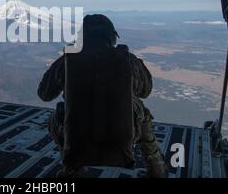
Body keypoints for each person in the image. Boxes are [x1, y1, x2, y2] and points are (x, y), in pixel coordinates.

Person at [38, 14, 167, 178]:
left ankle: (73, 169)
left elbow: (44, 94)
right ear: (111, 37)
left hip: (76, 139)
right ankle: (156, 168)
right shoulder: (128, 59)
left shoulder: (68, 60)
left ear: (82, 37)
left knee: (57, 114)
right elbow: (145, 91)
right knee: (142, 111)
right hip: (125, 138)